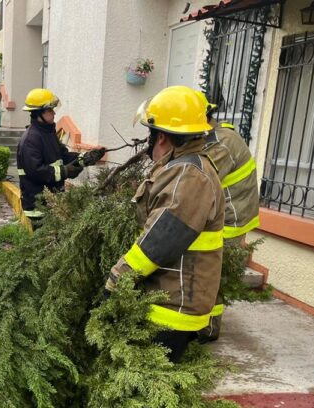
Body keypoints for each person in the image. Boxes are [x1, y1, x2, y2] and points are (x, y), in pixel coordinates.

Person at [105, 86, 225, 362]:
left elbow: (158, 243)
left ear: (161, 137)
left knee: (144, 392)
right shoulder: (184, 167)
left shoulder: (189, 176)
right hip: (171, 296)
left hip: (172, 305)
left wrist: (116, 280)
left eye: (150, 135)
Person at [196, 91, 261, 342]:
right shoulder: (211, 138)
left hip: (232, 219)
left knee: (213, 273)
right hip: (226, 213)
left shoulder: (222, 143)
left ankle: (209, 328)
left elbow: (200, 180)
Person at [16, 88, 106, 225]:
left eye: (53, 109)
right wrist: (65, 171)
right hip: (38, 206)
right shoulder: (31, 139)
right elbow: (37, 171)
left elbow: (62, 155)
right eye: (49, 110)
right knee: (48, 243)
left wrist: (85, 158)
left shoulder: (48, 133)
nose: (54, 113)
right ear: (38, 113)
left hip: (52, 201)